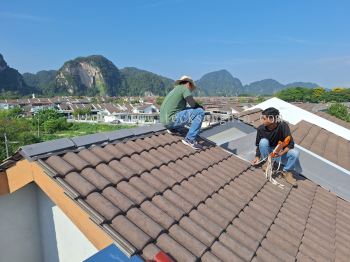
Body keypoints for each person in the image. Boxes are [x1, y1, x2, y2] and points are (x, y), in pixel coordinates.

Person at [252, 107, 301, 186]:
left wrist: (281, 153)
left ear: (272, 119)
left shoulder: (283, 126)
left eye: (264, 119)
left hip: (279, 152)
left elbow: (291, 144)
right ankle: (267, 163)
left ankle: (286, 172)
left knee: (295, 153)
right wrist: (257, 157)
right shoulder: (261, 129)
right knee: (263, 142)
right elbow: (258, 145)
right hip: (269, 152)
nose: (262, 120)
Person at [160, 75, 205, 150]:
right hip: (171, 120)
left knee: (189, 110)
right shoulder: (184, 88)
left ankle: (174, 129)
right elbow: (192, 104)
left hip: (165, 122)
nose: (191, 90)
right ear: (188, 84)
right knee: (200, 112)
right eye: (191, 87)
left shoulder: (174, 90)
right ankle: (190, 139)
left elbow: (183, 108)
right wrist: (200, 107)